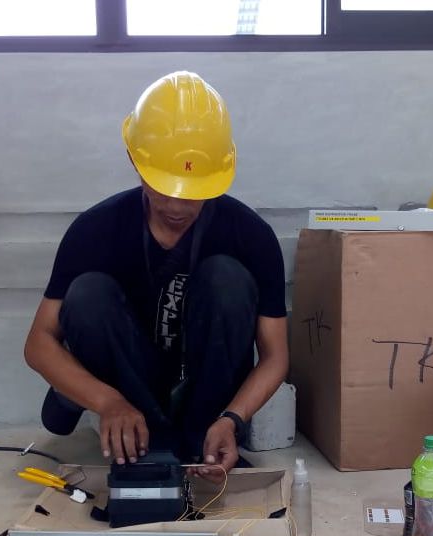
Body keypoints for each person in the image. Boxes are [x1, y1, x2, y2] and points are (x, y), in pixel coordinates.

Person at [24, 71, 288, 481]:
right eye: (164, 187)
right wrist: (106, 401)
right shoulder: (96, 230)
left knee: (228, 278)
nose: (177, 206)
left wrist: (233, 418)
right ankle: (147, 442)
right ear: (135, 161)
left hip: (208, 385)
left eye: (193, 191)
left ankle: (202, 440)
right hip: (131, 380)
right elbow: (39, 344)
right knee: (88, 293)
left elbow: (275, 356)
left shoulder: (250, 235)